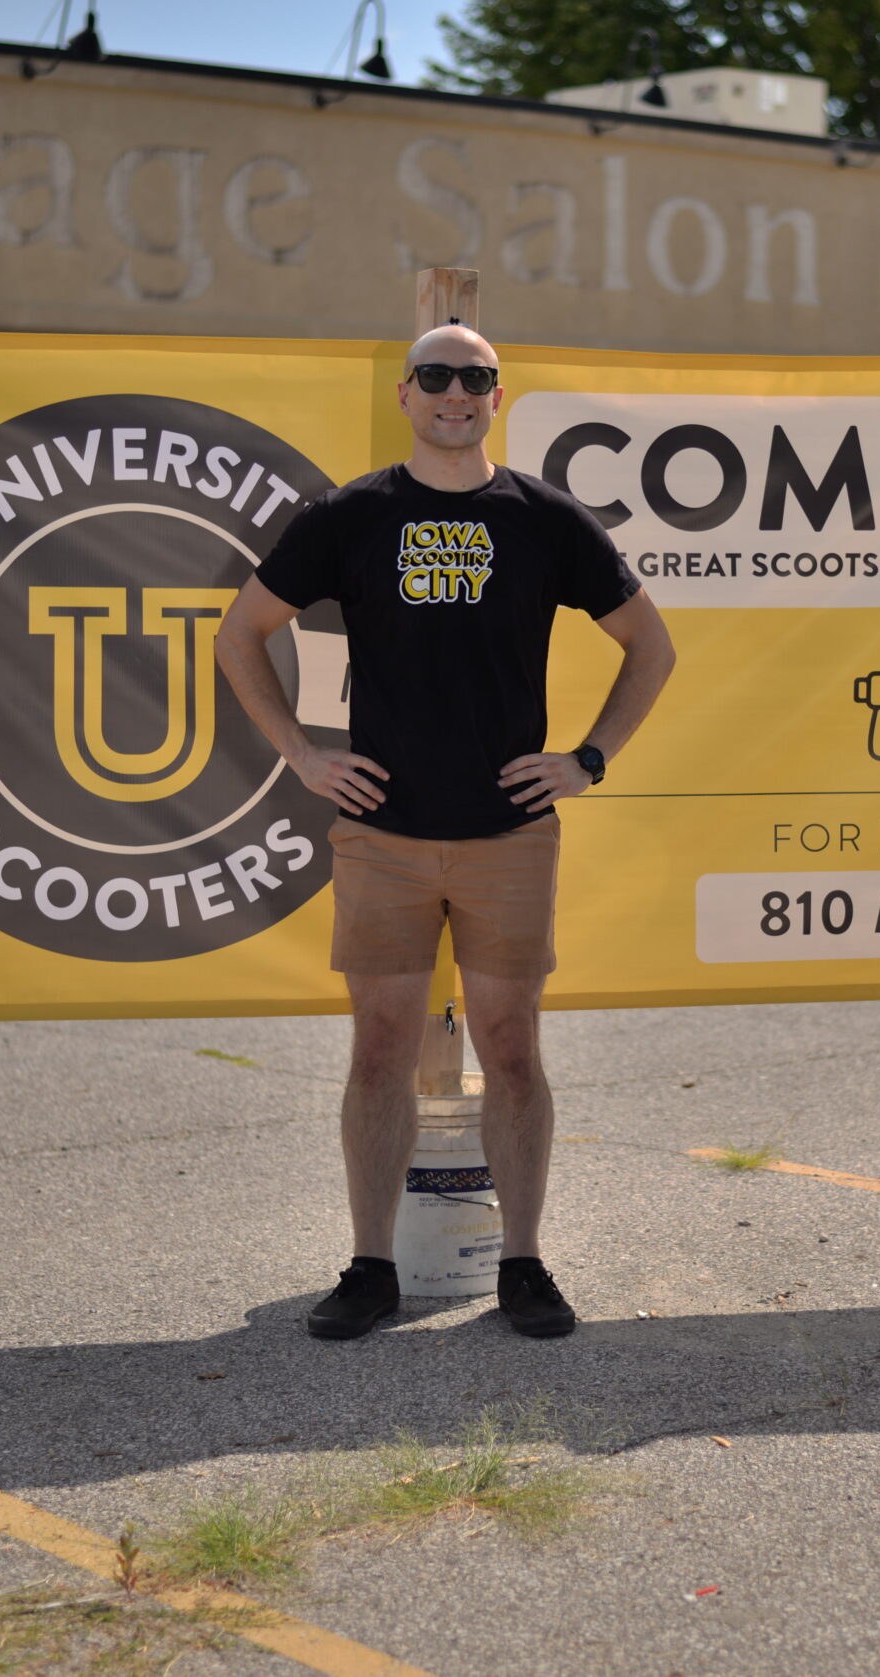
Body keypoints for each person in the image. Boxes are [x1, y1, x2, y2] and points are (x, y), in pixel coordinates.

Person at [216, 324, 675, 1341]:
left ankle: (522, 1264)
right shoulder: (349, 513)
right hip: (381, 831)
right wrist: (301, 754)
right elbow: (239, 632)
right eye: (436, 376)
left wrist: (586, 758)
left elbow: (650, 644)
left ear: (498, 396)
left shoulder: (545, 519)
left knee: (511, 1047)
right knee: (380, 1046)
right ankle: (369, 1265)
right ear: (404, 394)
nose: (454, 393)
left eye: (474, 377)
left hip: (509, 833)